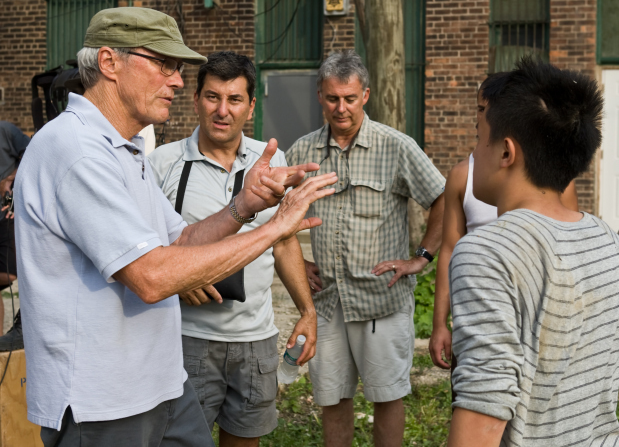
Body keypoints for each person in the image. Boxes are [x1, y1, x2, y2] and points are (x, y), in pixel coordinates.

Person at [14, 7, 338, 447]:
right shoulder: (77, 151)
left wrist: (243, 206)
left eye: (180, 68)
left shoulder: (121, 150)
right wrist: (275, 227)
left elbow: (180, 240)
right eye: (164, 64)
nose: (179, 81)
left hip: (161, 385)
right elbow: (151, 277)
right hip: (105, 402)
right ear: (109, 63)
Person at [446, 57, 619, 446]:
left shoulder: (486, 252)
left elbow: (483, 412)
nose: (475, 150)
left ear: (507, 152)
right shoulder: (608, 241)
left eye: (478, 136)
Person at [149, 51, 317, 446]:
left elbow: (284, 240)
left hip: (255, 340)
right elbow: (146, 252)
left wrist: (308, 312)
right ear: (195, 100)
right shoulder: (162, 164)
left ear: (251, 105)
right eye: (212, 97)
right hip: (186, 340)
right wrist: (178, 279)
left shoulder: (271, 162)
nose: (222, 111)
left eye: (235, 99)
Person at [286, 50, 446, 447]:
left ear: (366, 95)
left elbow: (443, 199)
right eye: (332, 98)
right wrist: (295, 261)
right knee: (332, 398)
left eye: (350, 98)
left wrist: (420, 258)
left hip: (382, 300)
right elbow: (275, 215)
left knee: (387, 395)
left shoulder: (396, 147)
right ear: (320, 96)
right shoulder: (302, 153)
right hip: (327, 302)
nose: (341, 108)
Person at [429, 77, 579, 370]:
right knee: (475, 394)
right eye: (479, 107)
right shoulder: (463, 175)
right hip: (477, 312)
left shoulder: (554, 176)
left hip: (535, 313)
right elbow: (449, 249)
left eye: (489, 107)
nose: (482, 114)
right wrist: (439, 324)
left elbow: (567, 246)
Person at [0, 122, 29, 337]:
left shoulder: (5, 130)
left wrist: (12, 177)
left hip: (6, 214)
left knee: (8, 274)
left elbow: (34, 150)